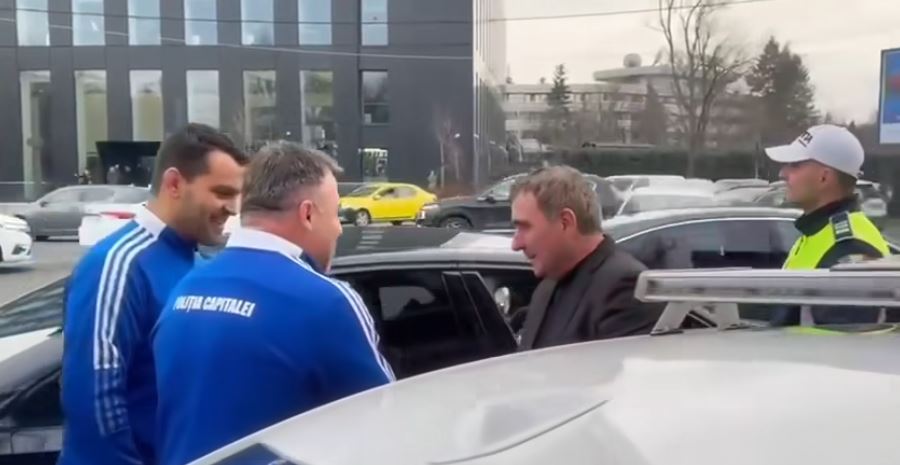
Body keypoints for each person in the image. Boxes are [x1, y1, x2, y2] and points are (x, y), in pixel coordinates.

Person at [153, 142, 394, 465]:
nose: (338, 229)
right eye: (336, 214)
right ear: (307, 214)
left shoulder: (185, 289)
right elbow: (385, 419)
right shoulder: (326, 302)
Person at [58, 123, 247, 465]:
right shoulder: (118, 263)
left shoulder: (197, 261)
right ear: (174, 184)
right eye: (222, 193)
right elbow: (94, 396)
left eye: (237, 195)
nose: (233, 208)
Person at [510, 166, 661, 350]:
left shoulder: (625, 289)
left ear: (565, 222)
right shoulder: (547, 288)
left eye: (525, 227)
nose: (516, 244)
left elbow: (618, 367)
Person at [765, 124, 891, 325]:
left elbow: (842, 341)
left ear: (824, 177)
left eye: (795, 165)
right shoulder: (818, 231)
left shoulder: (849, 248)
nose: (783, 173)